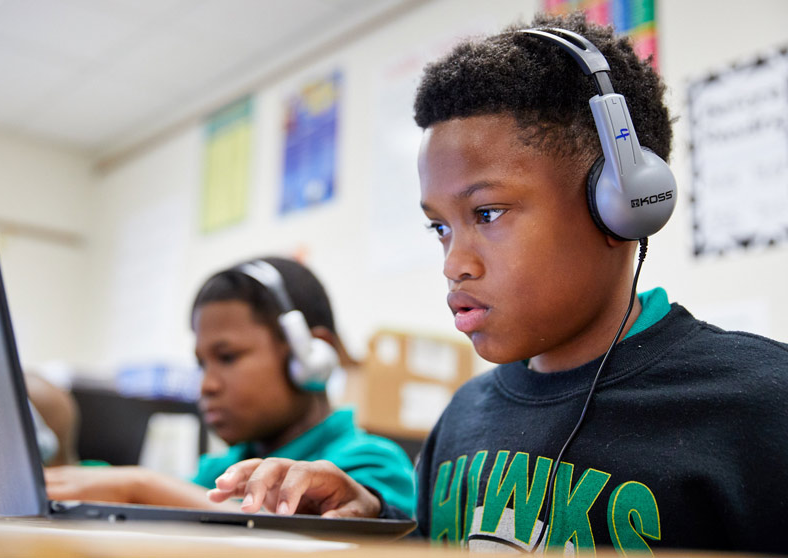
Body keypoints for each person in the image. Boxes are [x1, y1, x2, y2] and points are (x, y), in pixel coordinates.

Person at [207, 12, 788, 555]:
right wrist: (375, 525)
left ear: (620, 206)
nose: (454, 263)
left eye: (486, 214)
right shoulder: (462, 418)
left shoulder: (761, 404)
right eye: (439, 227)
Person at [45, 256, 416, 515]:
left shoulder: (371, 462)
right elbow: (172, 495)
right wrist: (61, 462)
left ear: (310, 356)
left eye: (227, 357)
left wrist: (137, 487)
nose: (205, 385)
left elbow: (288, 539)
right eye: (202, 364)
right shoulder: (223, 469)